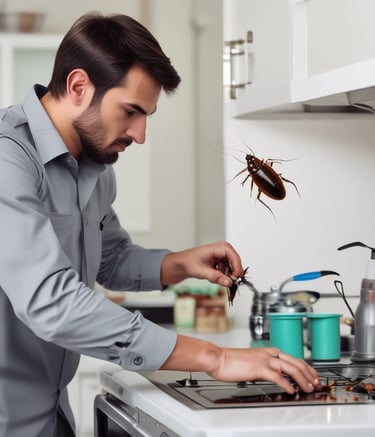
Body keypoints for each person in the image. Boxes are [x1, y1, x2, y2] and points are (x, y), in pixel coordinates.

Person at [0, 12, 320, 437]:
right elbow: (52, 303)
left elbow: (107, 257)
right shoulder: (9, 160)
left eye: (146, 115)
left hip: (51, 416)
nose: (140, 133)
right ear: (79, 86)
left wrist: (180, 265)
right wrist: (215, 358)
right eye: (131, 111)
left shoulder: (94, 166)